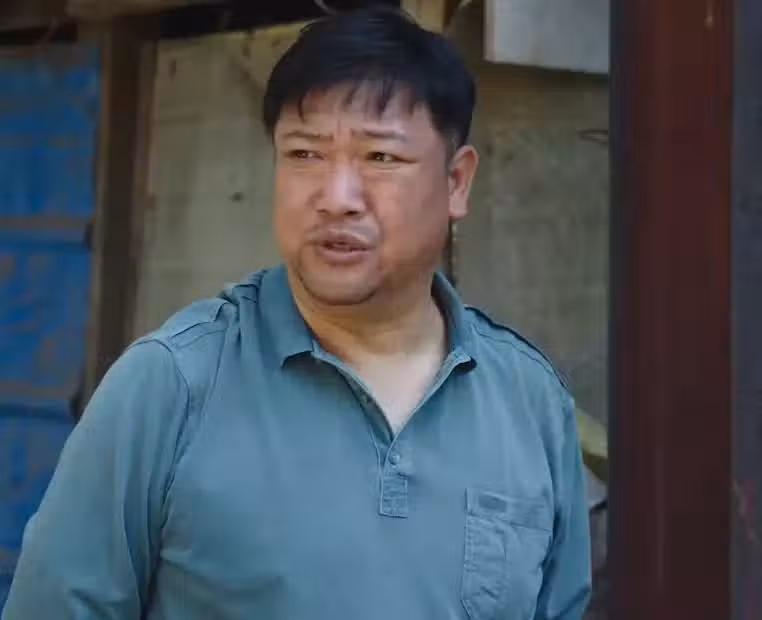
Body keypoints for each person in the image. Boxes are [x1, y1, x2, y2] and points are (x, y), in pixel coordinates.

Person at [2, 7, 590, 620]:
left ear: (456, 182)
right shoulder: (172, 385)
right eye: (305, 154)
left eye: (380, 158)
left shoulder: (529, 403)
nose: (336, 199)